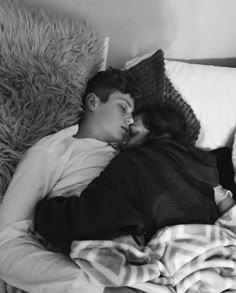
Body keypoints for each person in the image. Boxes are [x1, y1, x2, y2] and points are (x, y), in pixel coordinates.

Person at [0, 68, 153, 293]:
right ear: (93, 102)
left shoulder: (130, 157)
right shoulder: (54, 151)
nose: (130, 120)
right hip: (77, 270)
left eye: (132, 114)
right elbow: (6, 242)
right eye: (123, 108)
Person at [34, 103, 234, 255]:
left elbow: (92, 216)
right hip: (217, 248)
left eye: (133, 130)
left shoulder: (134, 161)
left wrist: (46, 212)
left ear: (160, 128)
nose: (125, 136)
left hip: (179, 251)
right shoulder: (209, 161)